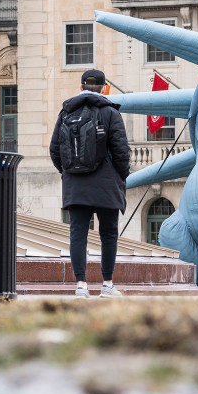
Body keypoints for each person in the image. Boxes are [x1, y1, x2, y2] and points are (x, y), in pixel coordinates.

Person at [49, 69, 131, 298]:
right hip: (106, 184)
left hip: (76, 186)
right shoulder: (111, 113)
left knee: (78, 235)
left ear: (80, 88)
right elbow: (121, 151)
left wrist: (68, 173)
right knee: (108, 235)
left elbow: (54, 150)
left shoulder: (65, 112)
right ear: (105, 89)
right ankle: (107, 284)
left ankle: (81, 286)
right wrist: (121, 176)